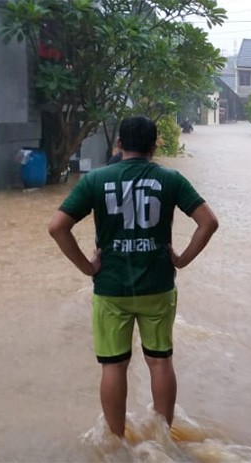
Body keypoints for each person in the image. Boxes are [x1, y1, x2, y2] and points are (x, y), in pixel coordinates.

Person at [48, 115, 218, 438]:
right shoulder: (171, 180)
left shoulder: (95, 181)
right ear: (155, 145)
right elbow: (208, 222)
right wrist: (181, 259)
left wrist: (88, 266)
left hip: (111, 289)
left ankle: (116, 444)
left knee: (113, 366)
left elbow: (57, 227)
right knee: (160, 361)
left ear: (119, 144)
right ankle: (162, 440)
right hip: (158, 286)